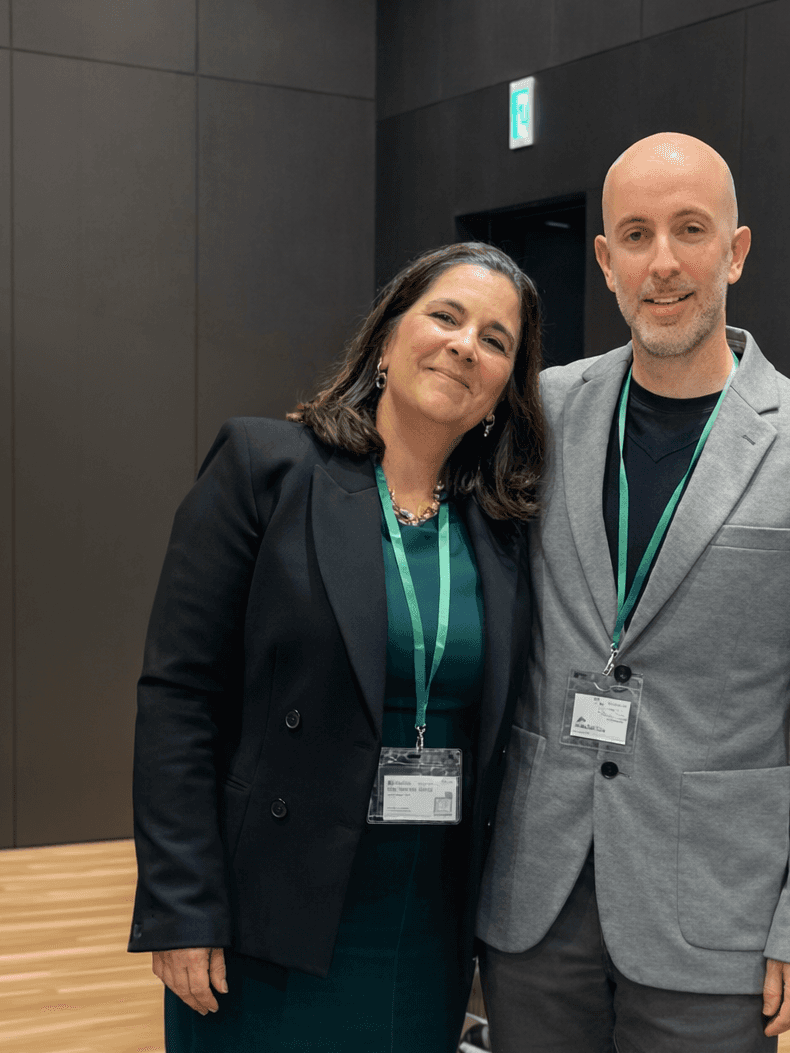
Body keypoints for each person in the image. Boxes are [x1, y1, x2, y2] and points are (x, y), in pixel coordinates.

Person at [475, 134, 790, 1053]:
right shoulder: (542, 412)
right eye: (636, 235)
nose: (663, 262)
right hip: (536, 899)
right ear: (606, 264)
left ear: (735, 250)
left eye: (690, 230)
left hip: (714, 917)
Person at [127, 241, 548, 1052]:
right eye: (446, 317)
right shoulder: (267, 468)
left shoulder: (503, 527)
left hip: (425, 921)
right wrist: (182, 904)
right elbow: (178, 696)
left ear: (503, 390)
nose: (466, 345)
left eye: (496, 341)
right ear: (388, 339)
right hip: (266, 917)